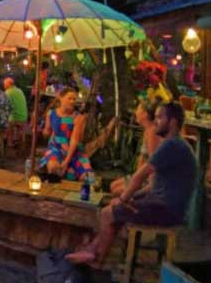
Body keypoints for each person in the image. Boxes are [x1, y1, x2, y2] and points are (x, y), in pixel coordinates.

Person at [67, 103, 195, 264]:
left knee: (108, 212)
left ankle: (95, 259)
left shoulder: (171, 145)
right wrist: (130, 197)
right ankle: (94, 251)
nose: (156, 121)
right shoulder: (177, 145)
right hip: (166, 206)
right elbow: (154, 185)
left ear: (173, 122)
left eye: (160, 117)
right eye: (155, 117)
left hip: (166, 210)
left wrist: (122, 199)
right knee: (114, 210)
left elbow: (139, 176)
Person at [39, 88, 92, 181]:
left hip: (74, 150)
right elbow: (47, 131)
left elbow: (74, 141)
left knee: (89, 177)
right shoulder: (51, 114)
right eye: (69, 98)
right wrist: (40, 131)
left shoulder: (78, 117)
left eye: (74, 99)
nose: (72, 101)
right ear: (61, 98)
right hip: (56, 147)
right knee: (53, 167)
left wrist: (66, 162)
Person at [111, 101, 161, 195]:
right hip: (142, 175)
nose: (135, 112)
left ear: (145, 114)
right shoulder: (147, 130)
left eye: (138, 110)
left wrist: (139, 182)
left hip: (150, 179)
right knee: (113, 185)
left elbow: (153, 163)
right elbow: (142, 159)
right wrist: (135, 177)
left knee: (116, 191)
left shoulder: (152, 133)